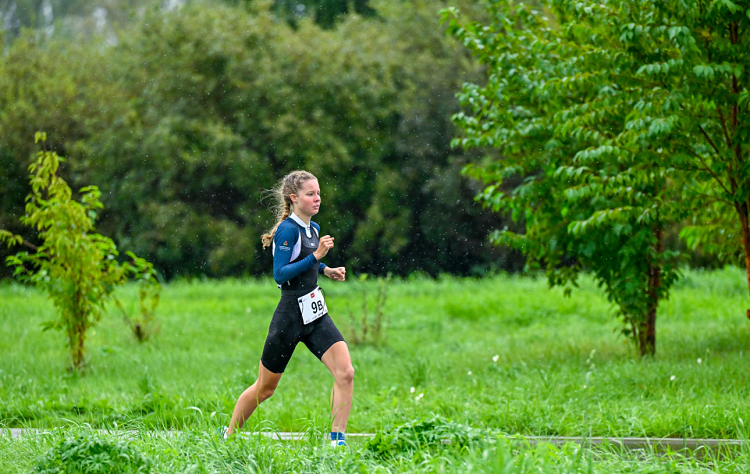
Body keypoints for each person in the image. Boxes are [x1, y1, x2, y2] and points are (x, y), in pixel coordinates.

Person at [223, 170, 354, 447]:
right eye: (310, 194)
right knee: (265, 388)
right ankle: (228, 436)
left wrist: (325, 269)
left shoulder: (313, 228)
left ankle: (337, 441)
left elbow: (306, 260)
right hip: (290, 317)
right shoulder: (287, 230)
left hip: (315, 314)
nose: (317, 198)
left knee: (345, 373)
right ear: (294, 199)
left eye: (318, 193)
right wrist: (317, 256)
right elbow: (280, 274)